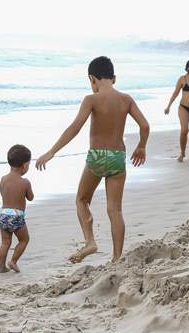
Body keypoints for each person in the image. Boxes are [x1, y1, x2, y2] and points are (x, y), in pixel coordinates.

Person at [35, 56, 150, 263]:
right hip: (117, 157)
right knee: (115, 209)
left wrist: (51, 151)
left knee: (81, 199)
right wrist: (141, 146)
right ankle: (116, 258)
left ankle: (90, 241)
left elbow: (75, 127)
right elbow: (145, 126)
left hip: (97, 157)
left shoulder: (91, 99)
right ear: (114, 78)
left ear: (92, 79)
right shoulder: (126, 99)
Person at [0, 144, 33, 273]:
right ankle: (13, 261)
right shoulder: (25, 182)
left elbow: (2, 193)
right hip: (17, 216)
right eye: (28, 164)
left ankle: (1, 267)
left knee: (5, 243)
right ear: (24, 165)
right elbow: (30, 197)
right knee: (24, 240)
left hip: (4, 215)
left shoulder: (3, 179)